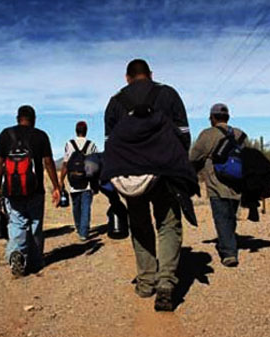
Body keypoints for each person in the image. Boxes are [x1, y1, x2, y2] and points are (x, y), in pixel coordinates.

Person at [102, 59, 198, 311]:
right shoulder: (168, 94)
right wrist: (174, 163)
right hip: (165, 172)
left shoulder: (115, 102)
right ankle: (166, 283)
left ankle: (146, 283)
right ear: (150, 74)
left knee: (140, 225)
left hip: (129, 176)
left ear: (127, 77)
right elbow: (184, 136)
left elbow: (109, 144)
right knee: (167, 224)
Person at [0, 105, 61, 277]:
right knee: (35, 224)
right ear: (34, 119)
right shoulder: (40, 135)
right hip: (35, 189)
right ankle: (35, 261)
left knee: (17, 223)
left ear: (18, 118)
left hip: (11, 189)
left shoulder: (5, 134)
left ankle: (16, 254)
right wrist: (56, 186)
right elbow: (48, 162)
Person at [189, 103, 249, 267]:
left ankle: (229, 253)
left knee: (221, 217)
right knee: (231, 215)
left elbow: (194, 157)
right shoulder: (241, 134)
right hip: (237, 183)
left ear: (212, 118)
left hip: (217, 183)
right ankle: (229, 241)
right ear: (227, 117)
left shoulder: (208, 134)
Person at [59, 121, 98, 241]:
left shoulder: (69, 144)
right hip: (87, 182)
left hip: (73, 182)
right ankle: (84, 232)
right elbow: (95, 164)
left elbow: (65, 164)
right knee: (86, 207)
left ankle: (78, 226)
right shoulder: (91, 144)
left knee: (76, 206)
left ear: (76, 130)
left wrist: (61, 180)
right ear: (86, 131)